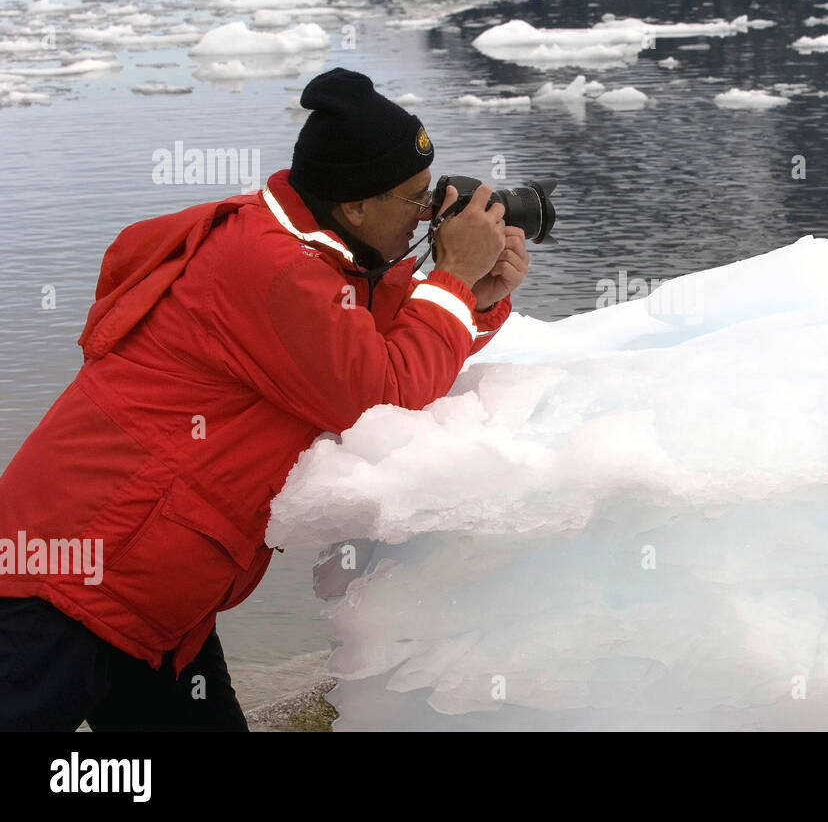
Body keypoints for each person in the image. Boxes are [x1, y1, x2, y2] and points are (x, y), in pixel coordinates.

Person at [0, 67, 529, 730]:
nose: (429, 216)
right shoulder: (271, 268)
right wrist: (450, 273)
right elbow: (379, 391)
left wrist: (473, 295)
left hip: (154, 596)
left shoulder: (317, 255)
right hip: (71, 578)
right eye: (417, 199)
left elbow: (367, 339)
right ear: (356, 204)